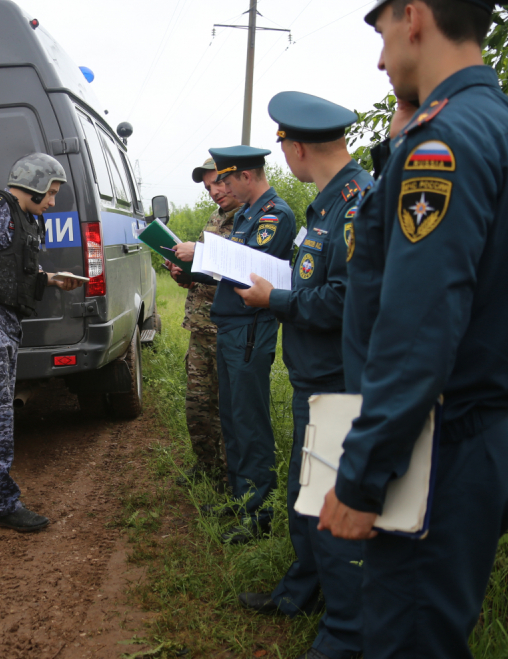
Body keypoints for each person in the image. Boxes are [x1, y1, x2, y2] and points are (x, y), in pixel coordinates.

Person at [316, 0, 508, 658]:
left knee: (410, 637)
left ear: (414, 18)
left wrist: (361, 478)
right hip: (485, 437)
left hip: (437, 449)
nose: (381, 60)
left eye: (383, 33)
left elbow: (420, 325)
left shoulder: (441, 145)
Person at [235, 92, 372, 659]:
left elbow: (351, 300)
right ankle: (302, 592)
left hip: (340, 380)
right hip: (313, 377)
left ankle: (344, 630)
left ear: (295, 148)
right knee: (304, 494)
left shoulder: (358, 204)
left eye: (282, 144)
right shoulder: (325, 204)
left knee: (327, 500)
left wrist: (278, 301)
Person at [0, 153, 83, 532]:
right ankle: (3, 505)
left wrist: (53, 278)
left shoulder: (23, 218)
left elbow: (9, 267)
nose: (54, 201)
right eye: (52, 192)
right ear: (35, 184)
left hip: (4, 323)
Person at [174, 145, 297, 544]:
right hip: (228, 325)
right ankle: (241, 496)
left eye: (226, 179)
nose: (220, 187)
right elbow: (227, 274)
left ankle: (259, 513)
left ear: (247, 176)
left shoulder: (274, 215)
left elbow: (251, 267)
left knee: (249, 423)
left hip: (249, 329)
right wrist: (193, 268)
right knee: (231, 417)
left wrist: (205, 252)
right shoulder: (244, 215)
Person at [170, 157, 241, 485]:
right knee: (198, 406)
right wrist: (186, 276)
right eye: (208, 187)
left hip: (228, 329)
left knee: (228, 409)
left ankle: (231, 477)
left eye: (218, 183)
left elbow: (242, 269)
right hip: (200, 326)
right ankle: (207, 464)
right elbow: (211, 273)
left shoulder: (249, 218)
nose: (215, 191)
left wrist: (197, 253)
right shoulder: (216, 218)